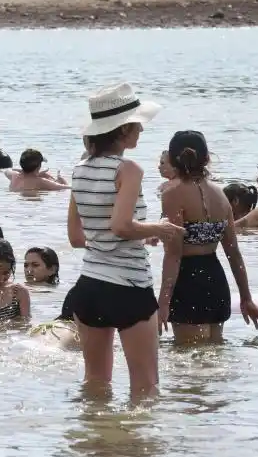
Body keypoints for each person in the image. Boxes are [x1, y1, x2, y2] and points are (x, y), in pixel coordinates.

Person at [67, 82, 183, 400]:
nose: (141, 131)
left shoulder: (78, 170)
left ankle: (94, 446)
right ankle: (133, 448)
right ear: (123, 130)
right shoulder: (129, 169)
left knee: (95, 383)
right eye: (138, 125)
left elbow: (77, 238)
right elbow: (120, 226)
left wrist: (138, 232)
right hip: (129, 288)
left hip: (89, 287)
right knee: (146, 388)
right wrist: (157, 229)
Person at [159, 131, 258, 344]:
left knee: (188, 365)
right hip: (216, 282)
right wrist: (246, 298)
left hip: (187, 281)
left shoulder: (172, 193)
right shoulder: (221, 195)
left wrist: (163, 301)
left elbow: (174, 254)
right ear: (207, 158)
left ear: (172, 159)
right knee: (212, 355)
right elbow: (234, 254)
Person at [4, 149, 69, 192]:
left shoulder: (14, 175)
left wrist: (23, 171)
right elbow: (67, 188)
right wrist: (61, 179)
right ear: (39, 167)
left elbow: (7, 170)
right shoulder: (40, 181)